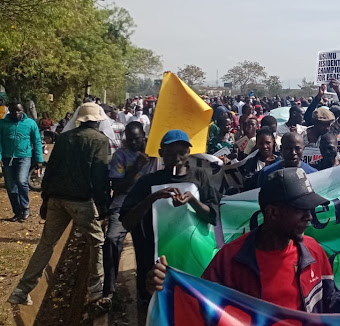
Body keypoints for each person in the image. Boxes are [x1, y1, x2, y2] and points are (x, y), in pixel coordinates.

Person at [147, 167, 340, 324]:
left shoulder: (314, 252)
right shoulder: (230, 261)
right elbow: (197, 313)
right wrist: (164, 289)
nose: (309, 217)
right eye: (300, 210)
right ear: (272, 212)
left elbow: (330, 300)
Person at [8, 103, 110, 305]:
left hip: (56, 198)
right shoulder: (99, 140)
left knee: (46, 244)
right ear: (97, 120)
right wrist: (104, 206)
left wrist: (46, 200)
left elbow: (51, 169)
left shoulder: (64, 137)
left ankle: (22, 289)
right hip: (80, 201)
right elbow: (99, 175)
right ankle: (95, 289)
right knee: (97, 241)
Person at [120, 130, 220, 302]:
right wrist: (153, 197)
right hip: (155, 265)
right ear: (160, 154)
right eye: (170, 153)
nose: (177, 158)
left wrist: (192, 200)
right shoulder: (148, 182)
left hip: (194, 260)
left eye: (181, 153)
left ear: (189, 153)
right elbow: (127, 220)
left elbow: (212, 217)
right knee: (160, 307)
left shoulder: (199, 176)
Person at [103, 122, 150, 302]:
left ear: (144, 137)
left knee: (146, 246)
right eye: (129, 140)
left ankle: (144, 291)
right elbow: (118, 186)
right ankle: (109, 290)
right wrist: (136, 167)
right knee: (112, 239)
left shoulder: (153, 154)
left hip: (145, 203)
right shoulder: (120, 156)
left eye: (137, 139)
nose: (133, 143)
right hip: (123, 202)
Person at [0, 102, 44, 221]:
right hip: (7, 158)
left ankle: (25, 208)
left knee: (21, 181)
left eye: (19, 111)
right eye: (14, 111)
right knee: (10, 186)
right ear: (10, 111)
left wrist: (39, 159)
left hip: (24, 157)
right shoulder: (3, 124)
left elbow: (37, 141)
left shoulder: (30, 123)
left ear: (23, 110)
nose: (16, 113)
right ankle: (17, 211)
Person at [248, 132, 317, 189]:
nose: (293, 152)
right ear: (281, 149)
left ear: (303, 149)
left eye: (297, 149)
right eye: (288, 148)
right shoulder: (267, 173)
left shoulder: (314, 174)